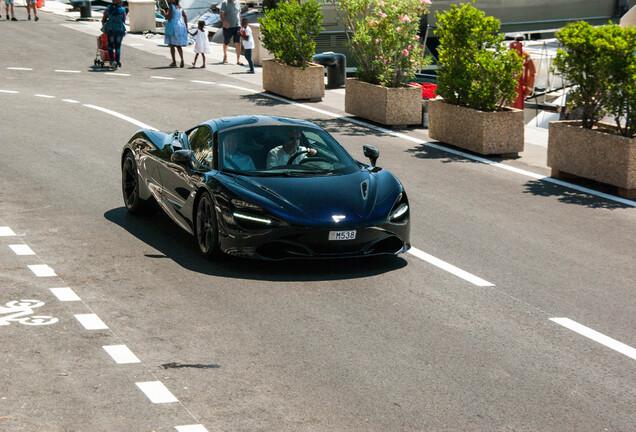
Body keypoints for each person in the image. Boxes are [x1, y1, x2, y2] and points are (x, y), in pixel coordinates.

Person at [101, 0, 127, 70]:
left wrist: (105, 25)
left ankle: (112, 60)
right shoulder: (122, 10)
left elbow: (103, 19)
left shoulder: (108, 9)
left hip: (110, 29)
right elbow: (124, 20)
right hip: (120, 30)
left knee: (110, 46)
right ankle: (117, 62)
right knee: (118, 46)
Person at [162, 0, 188, 68]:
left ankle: (174, 61)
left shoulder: (172, 6)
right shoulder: (180, 7)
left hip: (173, 25)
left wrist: (164, 13)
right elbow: (185, 16)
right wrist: (186, 26)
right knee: (178, 44)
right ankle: (182, 58)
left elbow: (168, 17)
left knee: (172, 44)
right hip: (180, 25)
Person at [219, 0, 242, 65]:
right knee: (226, 42)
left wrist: (241, 25)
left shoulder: (238, 3)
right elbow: (221, 14)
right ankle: (225, 55)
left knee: (238, 43)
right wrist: (224, 22)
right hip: (228, 27)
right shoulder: (225, 3)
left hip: (237, 26)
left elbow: (239, 14)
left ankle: (238, 59)